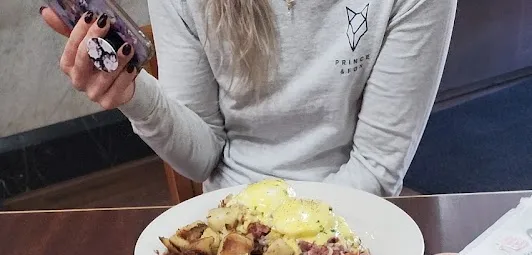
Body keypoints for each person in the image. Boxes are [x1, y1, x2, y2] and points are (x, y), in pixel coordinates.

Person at [41, 0, 456, 195]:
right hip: (227, 228)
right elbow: (203, 157)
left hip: (356, 221)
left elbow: (376, 169)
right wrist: (134, 94)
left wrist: (279, 242)